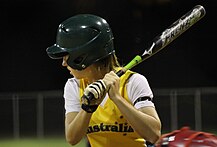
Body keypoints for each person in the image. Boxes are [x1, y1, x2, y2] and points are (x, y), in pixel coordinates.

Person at [46, 14, 161, 147]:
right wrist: (88, 108)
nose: (64, 64)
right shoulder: (74, 86)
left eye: (67, 56)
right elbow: (72, 138)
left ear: (83, 56)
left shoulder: (133, 82)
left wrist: (117, 98)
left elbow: (154, 134)